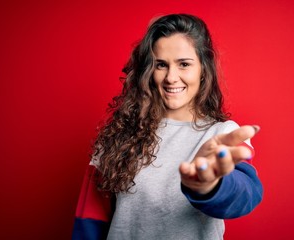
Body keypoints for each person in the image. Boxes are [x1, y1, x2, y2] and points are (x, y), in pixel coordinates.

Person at [72, 13, 263, 240]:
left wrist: (211, 185)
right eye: (161, 65)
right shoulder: (117, 134)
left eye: (184, 64)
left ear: (203, 69)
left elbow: (246, 194)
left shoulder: (223, 134)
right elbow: (90, 219)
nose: (171, 77)